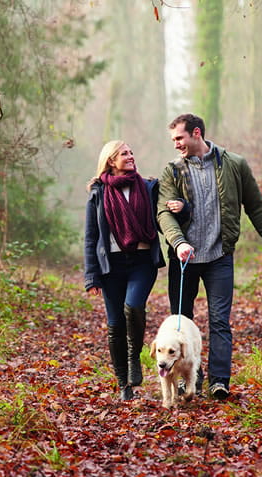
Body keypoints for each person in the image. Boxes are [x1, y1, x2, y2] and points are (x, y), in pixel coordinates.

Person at [157, 113, 262, 401]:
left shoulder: (234, 164)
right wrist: (178, 243)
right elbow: (163, 213)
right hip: (184, 259)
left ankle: (219, 381)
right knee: (180, 323)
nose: (176, 144)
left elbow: (256, 206)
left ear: (197, 133)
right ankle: (185, 380)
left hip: (219, 257)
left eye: (180, 138)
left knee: (220, 322)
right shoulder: (172, 171)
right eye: (173, 140)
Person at [84, 140, 185, 401]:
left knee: (133, 307)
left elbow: (165, 216)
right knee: (115, 324)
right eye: (124, 154)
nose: (131, 156)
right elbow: (91, 237)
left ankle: (134, 358)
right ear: (110, 161)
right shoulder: (98, 193)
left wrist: (181, 209)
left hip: (141, 262)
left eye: (131, 152)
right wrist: (91, 275)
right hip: (111, 267)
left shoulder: (148, 187)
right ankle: (123, 386)